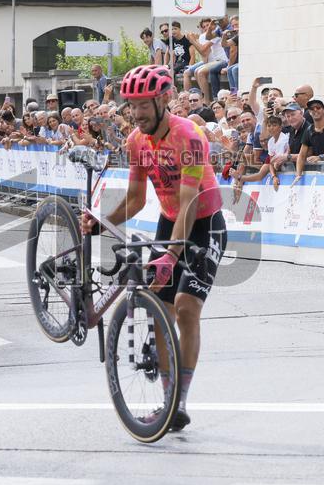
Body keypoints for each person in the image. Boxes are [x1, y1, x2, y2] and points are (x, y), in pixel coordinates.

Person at [80, 64, 227, 433]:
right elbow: (134, 198)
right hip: (168, 221)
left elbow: (190, 200)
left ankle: (181, 398)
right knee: (160, 312)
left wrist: (171, 257)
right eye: (132, 106)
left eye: (144, 105)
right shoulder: (135, 141)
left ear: (163, 100)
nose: (137, 113)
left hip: (203, 223)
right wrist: (102, 221)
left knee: (186, 308)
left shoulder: (189, 136)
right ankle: (168, 401)